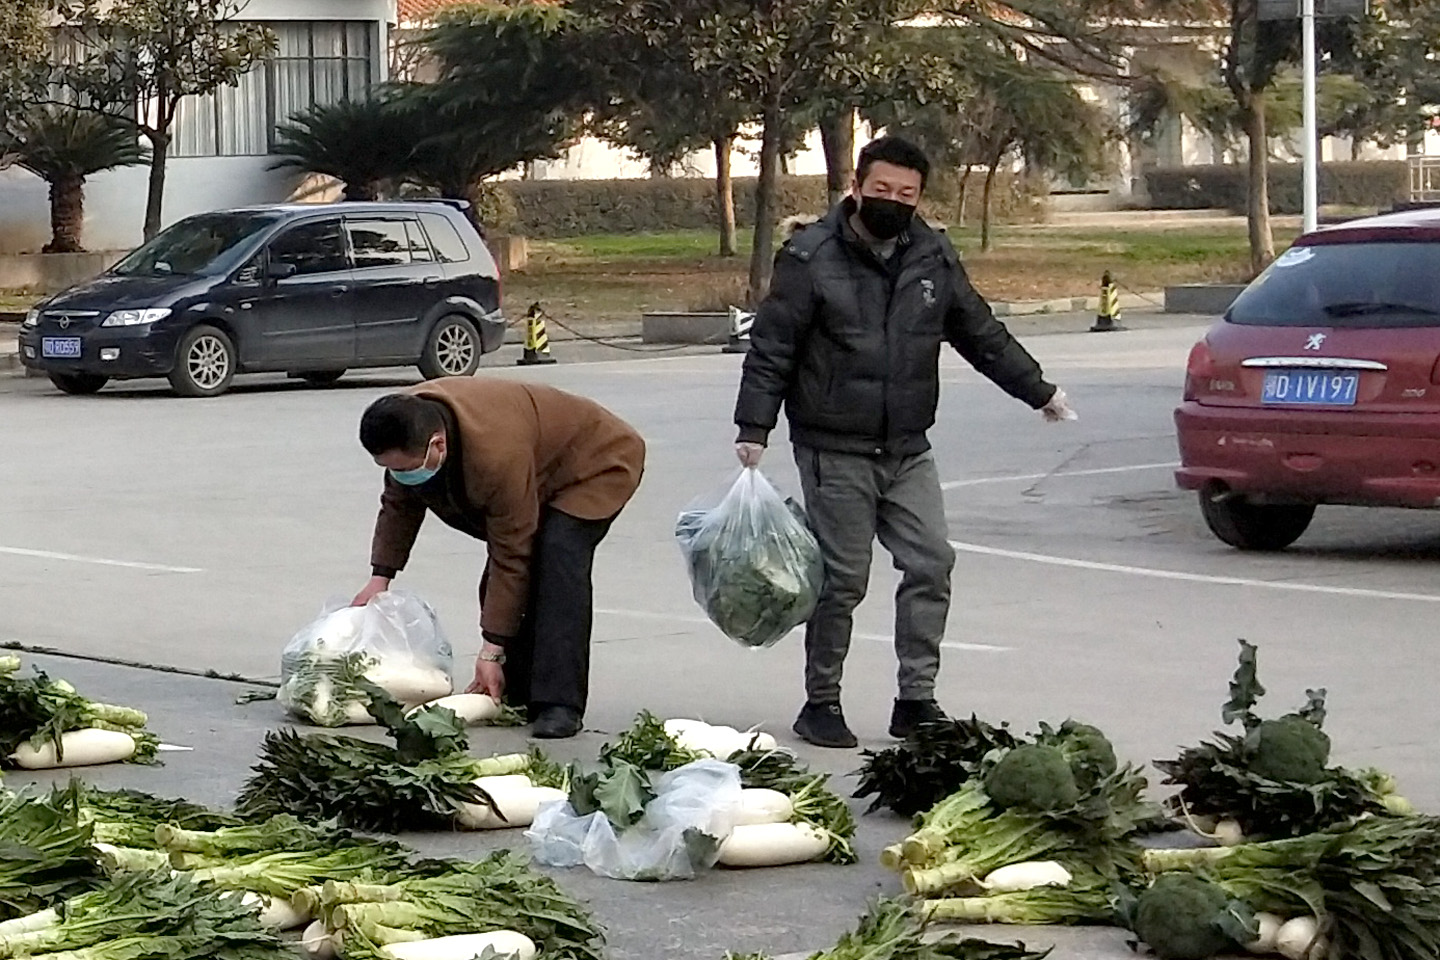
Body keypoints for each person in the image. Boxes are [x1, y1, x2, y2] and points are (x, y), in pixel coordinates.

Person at [732, 135, 1076, 749]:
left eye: (906, 193)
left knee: (931, 562)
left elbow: (979, 330)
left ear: (919, 197)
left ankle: (916, 699)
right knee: (843, 579)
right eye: (882, 189)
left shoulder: (931, 254)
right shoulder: (810, 257)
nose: (893, 201)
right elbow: (773, 345)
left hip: (907, 447)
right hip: (834, 446)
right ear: (857, 188)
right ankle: (821, 701)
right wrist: (753, 427)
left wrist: (1038, 390)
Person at [354, 377, 645, 739]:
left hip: (595, 461)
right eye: (391, 469)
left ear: (438, 445)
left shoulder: (494, 455)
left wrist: (491, 651)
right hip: (536, 463)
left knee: (556, 561)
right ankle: (517, 691)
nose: (401, 476)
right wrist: (380, 577)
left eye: (406, 469)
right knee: (507, 586)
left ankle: (560, 704)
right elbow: (399, 506)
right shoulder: (405, 423)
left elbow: (511, 553)